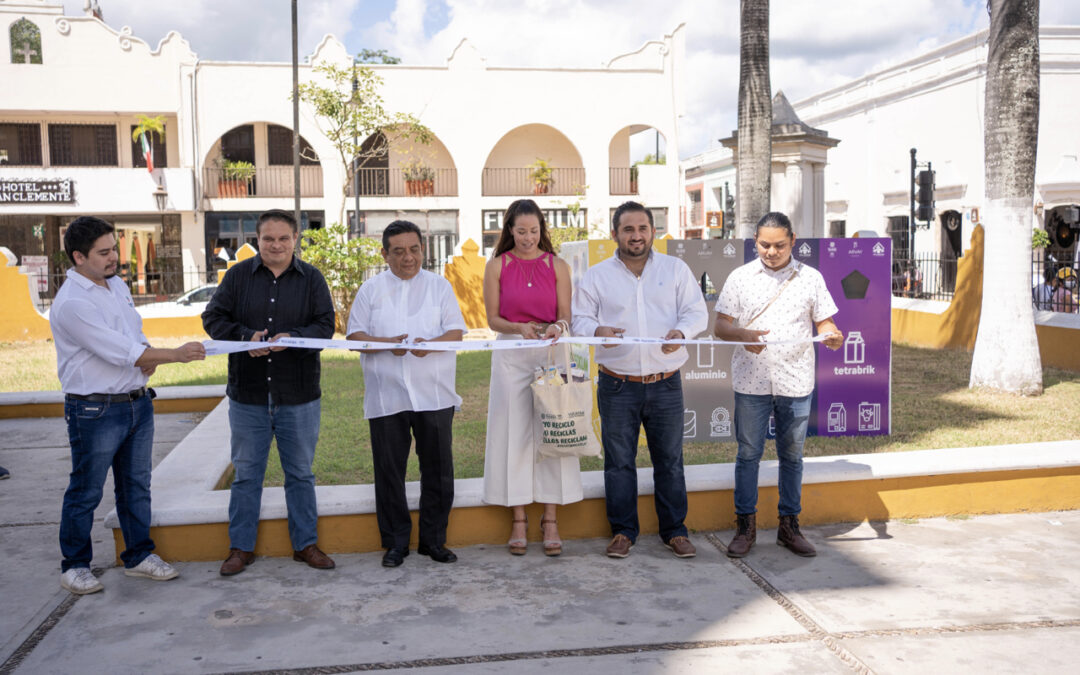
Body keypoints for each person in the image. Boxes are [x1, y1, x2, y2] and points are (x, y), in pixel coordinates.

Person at [50, 216, 206, 595]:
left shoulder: (116, 285)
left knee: (136, 486)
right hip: (95, 411)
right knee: (86, 491)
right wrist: (174, 354)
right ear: (78, 257)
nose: (113, 258)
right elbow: (119, 350)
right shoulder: (72, 303)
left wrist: (148, 355)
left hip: (137, 404)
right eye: (103, 253)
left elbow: (133, 335)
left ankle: (138, 556)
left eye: (113, 249)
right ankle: (75, 565)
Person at [202, 209, 336, 576]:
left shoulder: (312, 279)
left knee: (301, 474)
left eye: (283, 238)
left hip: (299, 395)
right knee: (247, 475)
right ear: (257, 240)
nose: (276, 245)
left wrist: (293, 338)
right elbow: (213, 319)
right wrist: (246, 338)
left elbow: (326, 326)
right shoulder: (237, 276)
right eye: (268, 239)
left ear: (295, 240)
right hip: (248, 396)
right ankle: (240, 548)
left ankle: (305, 545)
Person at [572, 201, 708, 559]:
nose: (636, 236)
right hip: (617, 385)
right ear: (615, 234)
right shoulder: (597, 276)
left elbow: (696, 311)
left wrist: (682, 332)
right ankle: (622, 532)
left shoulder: (675, 270)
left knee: (670, 460)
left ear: (653, 232)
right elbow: (580, 319)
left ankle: (675, 531)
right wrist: (597, 331)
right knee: (619, 462)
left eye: (642, 228)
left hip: (666, 383)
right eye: (628, 229)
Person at [713, 211, 844, 559]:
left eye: (779, 246)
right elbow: (720, 327)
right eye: (764, 245)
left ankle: (789, 527)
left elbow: (826, 324)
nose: (771, 252)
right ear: (755, 242)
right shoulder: (740, 278)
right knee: (748, 455)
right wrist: (742, 335)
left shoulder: (810, 278)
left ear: (793, 241)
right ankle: (745, 527)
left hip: (795, 380)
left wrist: (832, 336)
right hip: (751, 380)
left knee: (792, 456)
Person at [347, 220, 467, 567]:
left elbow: (455, 333)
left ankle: (433, 541)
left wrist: (431, 345)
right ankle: (396, 543)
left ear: (422, 249)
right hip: (387, 395)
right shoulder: (370, 289)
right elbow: (354, 338)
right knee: (389, 471)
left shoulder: (439, 287)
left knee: (438, 470)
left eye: (414, 249)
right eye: (398, 251)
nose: (408, 257)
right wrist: (387, 345)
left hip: (434, 394)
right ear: (384, 254)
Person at [481, 199, 579, 556]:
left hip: (551, 351)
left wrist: (557, 327)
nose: (527, 238)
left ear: (542, 230)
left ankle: (550, 518)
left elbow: (566, 315)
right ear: (510, 230)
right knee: (514, 431)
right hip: (511, 353)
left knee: (553, 429)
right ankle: (518, 518)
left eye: (534, 231)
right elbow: (492, 318)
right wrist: (518, 328)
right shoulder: (496, 266)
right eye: (521, 231)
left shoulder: (558, 266)